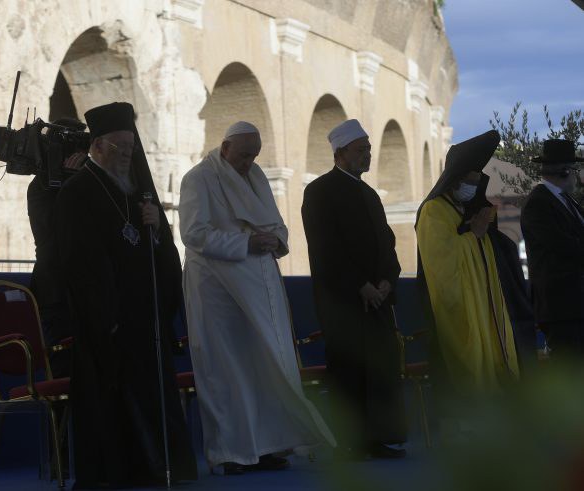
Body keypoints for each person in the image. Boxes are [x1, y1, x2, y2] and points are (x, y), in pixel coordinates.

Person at [179, 121, 335, 474]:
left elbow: (276, 224)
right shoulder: (199, 178)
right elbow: (193, 233)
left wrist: (275, 240)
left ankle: (268, 445)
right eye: (244, 155)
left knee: (265, 365)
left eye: (254, 155)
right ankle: (232, 451)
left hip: (260, 283)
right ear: (224, 148)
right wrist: (246, 243)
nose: (249, 162)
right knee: (227, 369)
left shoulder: (258, 176)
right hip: (217, 290)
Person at [55, 102, 197, 489]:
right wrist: (107, 314)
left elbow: (159, 255)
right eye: (118, 147)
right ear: (97, 146)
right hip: (108, 319)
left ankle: (157, 468)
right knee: (111, 403)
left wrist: (154, 229)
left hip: (145, 317)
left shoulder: (139, 195)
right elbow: (80, 262)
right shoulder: (78, 192)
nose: (125, 155)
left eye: (130, 148)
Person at [302, 119, 407, 460]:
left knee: (379, 369)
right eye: (361, 151)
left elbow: (386, 245)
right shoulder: (319, 191)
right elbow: (324, 248)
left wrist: (387, 280)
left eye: (369, 150)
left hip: (377, 299)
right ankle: (350, 441)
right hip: (344, 302)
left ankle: (378, 437)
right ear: (340, 153)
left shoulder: (370, 194)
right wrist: (360, 285)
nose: (367, 156)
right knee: (349, 369)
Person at [416, 130, 520, 400]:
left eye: (477, 181)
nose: (473, 187)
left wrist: (480, 230)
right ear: (454, 179)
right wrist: (473, 233)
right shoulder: (434, 211)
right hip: (459, 308)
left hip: (481, 303)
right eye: (469, 181)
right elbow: (442, 260)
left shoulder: (461, 209)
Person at [27, 118, 88, 378]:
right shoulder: (42, 185)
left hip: (86, 288)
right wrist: (72, 183)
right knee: (65, 369)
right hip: (57, 290)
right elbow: (55, 232)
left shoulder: (86, 183)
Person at [520, 139, 584, 359]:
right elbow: (561, 245)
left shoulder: (567, 201)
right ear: (565, 172)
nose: (577, 176)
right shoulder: (539, 203)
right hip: (562, 307)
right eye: (575, 170)